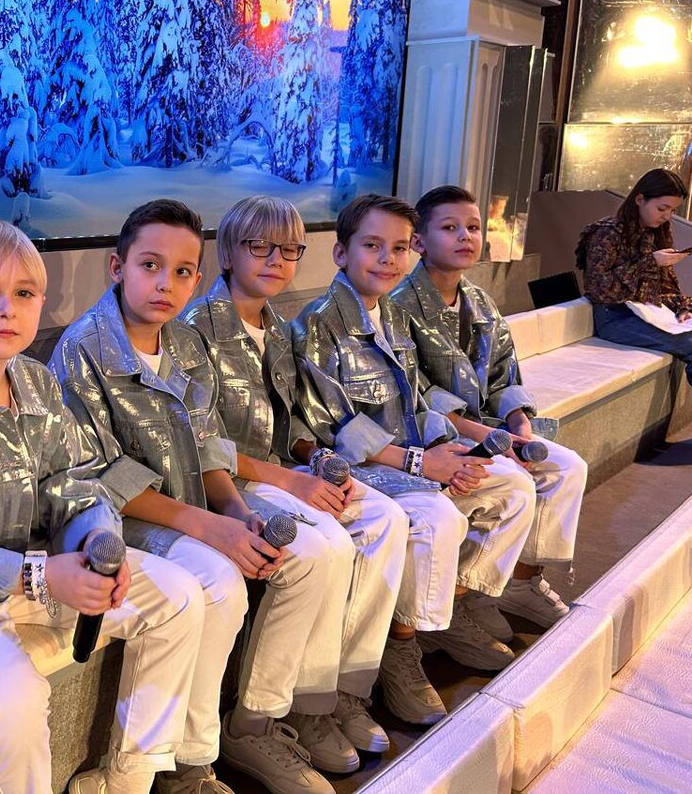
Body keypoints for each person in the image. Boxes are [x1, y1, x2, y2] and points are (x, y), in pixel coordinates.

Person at [0, 218, 206, 794]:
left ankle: (127, 780)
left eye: (24, 293)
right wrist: (37, 576)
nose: (8, 309)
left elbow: (74, 479)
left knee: (179, 596)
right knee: (13, 695)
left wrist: (97, 543)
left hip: (38, 571)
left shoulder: (37, 383)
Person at [51, 199, 336, 794]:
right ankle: (167, 767)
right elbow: (101, 477)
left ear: (197, 277)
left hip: (185, 508)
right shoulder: (82, 350)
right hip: (112, 521)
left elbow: (207, 446)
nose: (165, 283)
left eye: (182, 272)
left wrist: (237, 513)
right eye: (150, 265)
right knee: (217, 582)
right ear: (117, 267)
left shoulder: (182, 342)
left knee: (300, 555)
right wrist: (209, 528)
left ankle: (218, 744)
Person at [179, 196, 409, 773]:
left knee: (386, 518)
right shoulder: (194, 330)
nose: (276, 259)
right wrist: (291, 479)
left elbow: (297, 423)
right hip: (227, 484)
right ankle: (254, 720)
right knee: (318, 551)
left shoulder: (279, 329)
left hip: (281, 474)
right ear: (227, 254)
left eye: (289, 249)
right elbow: (201, 445)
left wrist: (321, 462)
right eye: (260, 246)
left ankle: (330, 696)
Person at [291, 194, 536, 728]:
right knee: (436, 517)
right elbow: (330, 423)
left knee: (513, 487)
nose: (388, 259)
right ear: (341, 253)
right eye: (373, 245)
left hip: (409, 457)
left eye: (399, 248)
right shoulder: (317, 324)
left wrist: (452, 449)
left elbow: (419, 399)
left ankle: (449, 611)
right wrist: (424, 463)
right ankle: (397, 651)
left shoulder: (394, 317)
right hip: (360, 466)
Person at [392, 185, 588, 635]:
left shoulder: (480, 301)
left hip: (491, 429)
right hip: (438, 436)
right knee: (512, 481)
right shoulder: (399, 305)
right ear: (419, 241)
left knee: (566, 467)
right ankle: (461, 604)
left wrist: (521, 426)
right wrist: (492, 439)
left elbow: (504, 374)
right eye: (450, 227)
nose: (465, 236)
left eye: (473, 227)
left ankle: (520, 583)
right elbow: (417, 394)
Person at [576, 168, 692, 383]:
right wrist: (651, 262)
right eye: (662, 208)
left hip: (652, 312)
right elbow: (600, 290)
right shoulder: (607, 232)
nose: (667, 216)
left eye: (672, 210)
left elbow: (663, 287)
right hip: (614, 317)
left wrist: (682, 307)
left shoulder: (657, 232)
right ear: (640, 199)